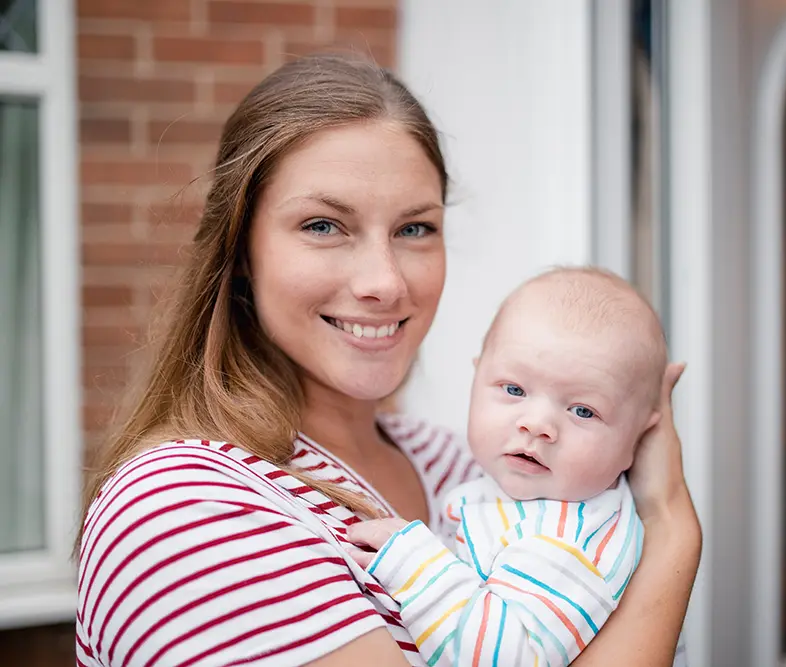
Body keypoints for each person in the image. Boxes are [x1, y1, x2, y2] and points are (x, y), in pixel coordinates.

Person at [75, 53, 701, 667]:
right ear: (240, 249)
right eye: (324, 226)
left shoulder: (471, 468)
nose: (385, 282)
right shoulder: (186, 510)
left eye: (414, 229)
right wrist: (671, 531)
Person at [347, 267, 677, 666]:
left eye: (583, 410)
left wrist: (414, 563)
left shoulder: (566, 542)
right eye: (515, 390)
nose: (536, 424)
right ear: (477, 375)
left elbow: (505, 658)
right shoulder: (534, 496)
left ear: (638, 438)